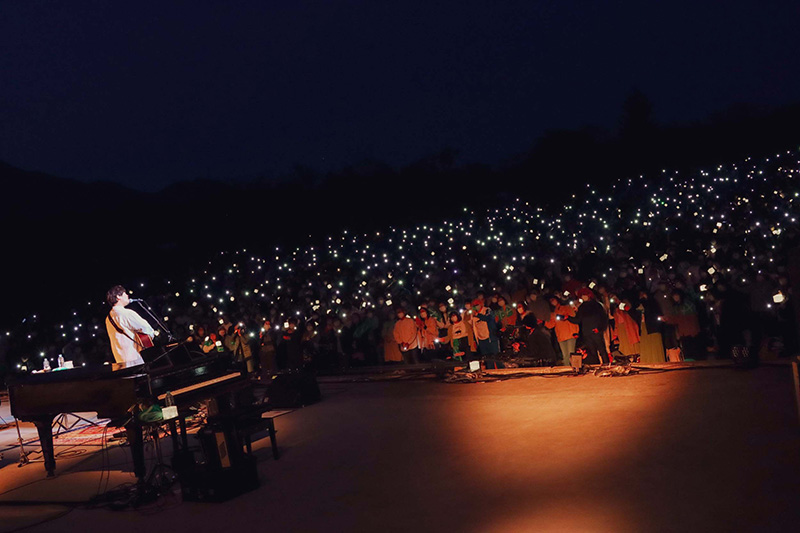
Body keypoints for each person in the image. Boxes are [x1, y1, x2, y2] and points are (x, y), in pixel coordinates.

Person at [105, 285, 155, 367]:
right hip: (136, 359)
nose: (127, 295)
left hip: (121, 361)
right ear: (118, 297)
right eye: (125, 293)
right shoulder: (126, 313)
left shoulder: (108, 318)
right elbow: (147, 329)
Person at [568, 288, 609, 364]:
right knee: (592, 352)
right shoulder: (582, 307)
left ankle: (607, 365)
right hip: (587, 333)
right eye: (582, 295)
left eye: (585, 295)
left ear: (589, 295)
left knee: (602, 350)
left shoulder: (597, 305)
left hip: (596, 332)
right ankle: (595, 366)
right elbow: (577, 320)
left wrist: (600, 328)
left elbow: (604, 318)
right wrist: (568, 318)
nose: (583, 297)